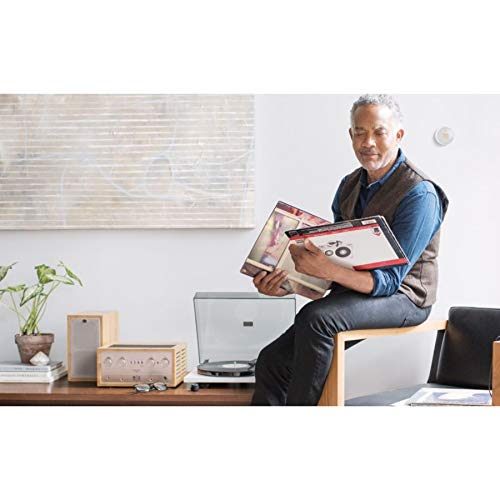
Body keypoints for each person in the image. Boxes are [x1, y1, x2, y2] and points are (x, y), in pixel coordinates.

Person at [251, 94, 449, 406]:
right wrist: (287, 284)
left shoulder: (420, 194)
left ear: (398, 135)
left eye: (379, 132)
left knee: (317, 319)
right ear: (350, 135)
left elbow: (389, 281)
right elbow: (337, 262)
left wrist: (327, 270)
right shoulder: (348, 185)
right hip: (357, 291)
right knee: (271, 361)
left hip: (406, 297)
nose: (368, 142)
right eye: (359, 132)